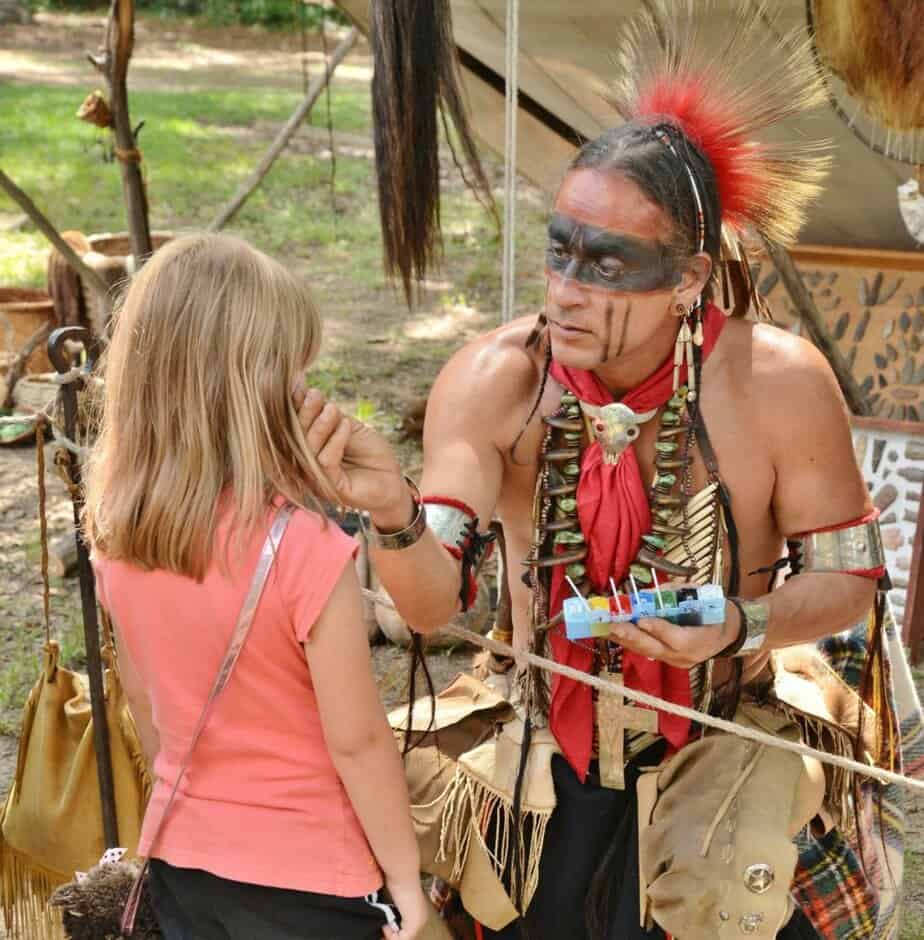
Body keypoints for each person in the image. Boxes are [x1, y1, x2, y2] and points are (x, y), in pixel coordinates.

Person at [298, 3, 919, 939]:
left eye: (608, 264)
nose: (565, 291)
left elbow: (848, 587)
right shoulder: (495, 380)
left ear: (689, 279)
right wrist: (394, 515)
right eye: (559, 252)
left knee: (731, 901)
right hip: (545, 741)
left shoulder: (781, 385)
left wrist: (738, 627)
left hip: (726, 727)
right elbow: (431, 607)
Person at [83, 233, 431, 940]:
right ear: (254, 389)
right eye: (295, 374)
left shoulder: (116, 535)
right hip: (315, 883)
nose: (307, 394)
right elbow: (359, 741)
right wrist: (405, 880)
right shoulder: (305, 548)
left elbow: (148, 709)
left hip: (185, 862)